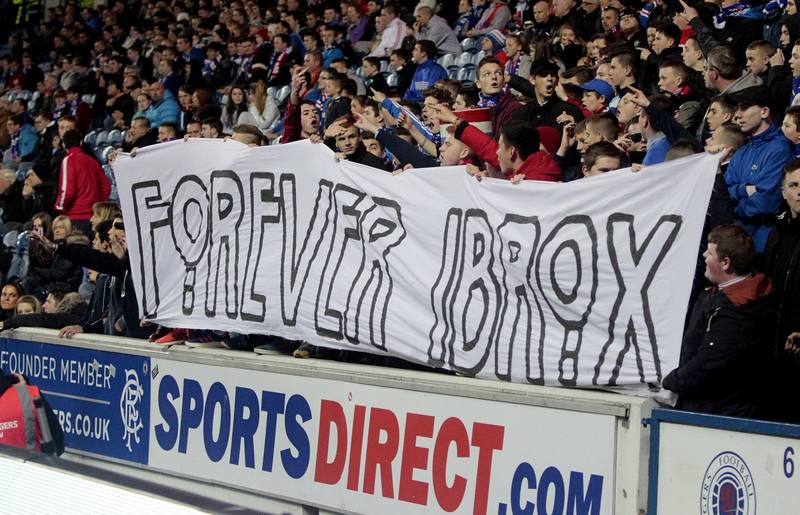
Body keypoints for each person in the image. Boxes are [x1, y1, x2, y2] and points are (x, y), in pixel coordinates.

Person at [663, 225, 774, 418]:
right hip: (709, 404)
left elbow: (708, 364)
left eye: (710, 252)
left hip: (718, 413)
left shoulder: (736, 311)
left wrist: (670, 381)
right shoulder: (717, 289)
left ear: (725, 263)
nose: (704, 255)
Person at [725, 85, 794, 252]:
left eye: (744, 108)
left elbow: (765, 203)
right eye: (737, 108)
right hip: (739, 244)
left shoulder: (780, 150)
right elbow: (724, 195)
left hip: (764, 247)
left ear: (764, 112)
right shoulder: (742, 152)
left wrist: (736, 199)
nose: (738, 115)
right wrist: (744, 190)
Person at [54, 129, 111, 236]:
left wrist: (58, 207)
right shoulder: (93, 161)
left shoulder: (68, 160)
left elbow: (68, 191)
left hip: (75, 218)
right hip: (93, 218)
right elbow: (106, 187)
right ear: (81, 142)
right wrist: (95, 205)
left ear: (64, 144)